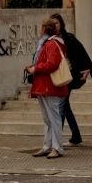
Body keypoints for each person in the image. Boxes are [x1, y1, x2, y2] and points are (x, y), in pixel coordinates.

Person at [24, 14, 72, 158]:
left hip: (49, 85)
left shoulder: (51, 44)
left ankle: (56, 147)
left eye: (42, 27)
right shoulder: (49, 43)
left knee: (53, 117)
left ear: (45, 29)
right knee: (48, 118)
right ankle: (48, 145)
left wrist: (35, 68)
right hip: (45, 85)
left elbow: (52, 64)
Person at [57, 23, 92, 147]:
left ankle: (57, 138)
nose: (55, 26)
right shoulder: (51, 39)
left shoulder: (69, 38)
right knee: (65, 105)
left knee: (62, 104)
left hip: (70, 75)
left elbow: (81, 53)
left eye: (57, 23)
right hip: (59, 75)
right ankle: (75, 136)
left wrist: (88, 68)